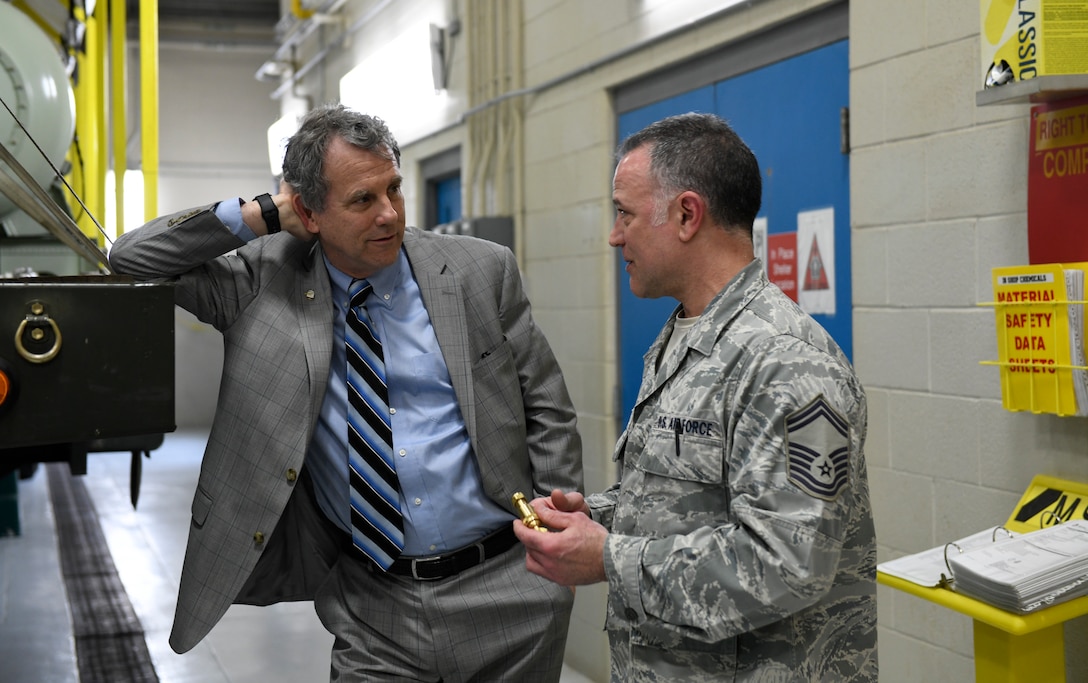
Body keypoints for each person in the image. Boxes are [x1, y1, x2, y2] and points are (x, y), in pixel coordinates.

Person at [109, 103, 583, 682]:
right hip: (374, 604)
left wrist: (556, 535)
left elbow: (547, 407)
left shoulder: (479, 271)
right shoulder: (261, 283)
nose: (389, 214)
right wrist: (264, 212)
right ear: (307, 211)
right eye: (362, 200)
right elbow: (133, 259)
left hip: (509, 590)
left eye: (394, 189)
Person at [512, 112, 877, 681]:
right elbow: (696, 503)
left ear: (686, 214)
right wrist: (600, 518)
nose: (614, 235)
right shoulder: (685, 335)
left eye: (625, 214)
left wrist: (610, 556)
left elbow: (789, 563)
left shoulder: (784, 361)